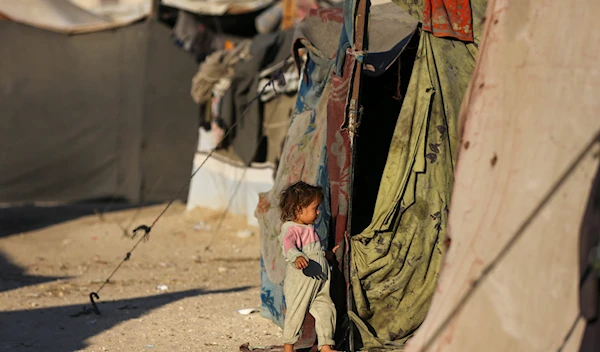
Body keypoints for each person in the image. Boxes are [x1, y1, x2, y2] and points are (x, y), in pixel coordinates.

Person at [279, 181, 338, 352]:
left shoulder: (310, 229)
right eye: (315, 208)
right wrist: (297, 256)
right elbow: (288, 246)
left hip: (320, 280)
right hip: (302, 278)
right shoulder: (290, 228)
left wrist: (328, 255)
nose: (318, 212)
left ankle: (326, 345)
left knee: (326, 309)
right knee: (297, 310)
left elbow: (314, 251)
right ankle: (288, 346)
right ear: (299, 209)